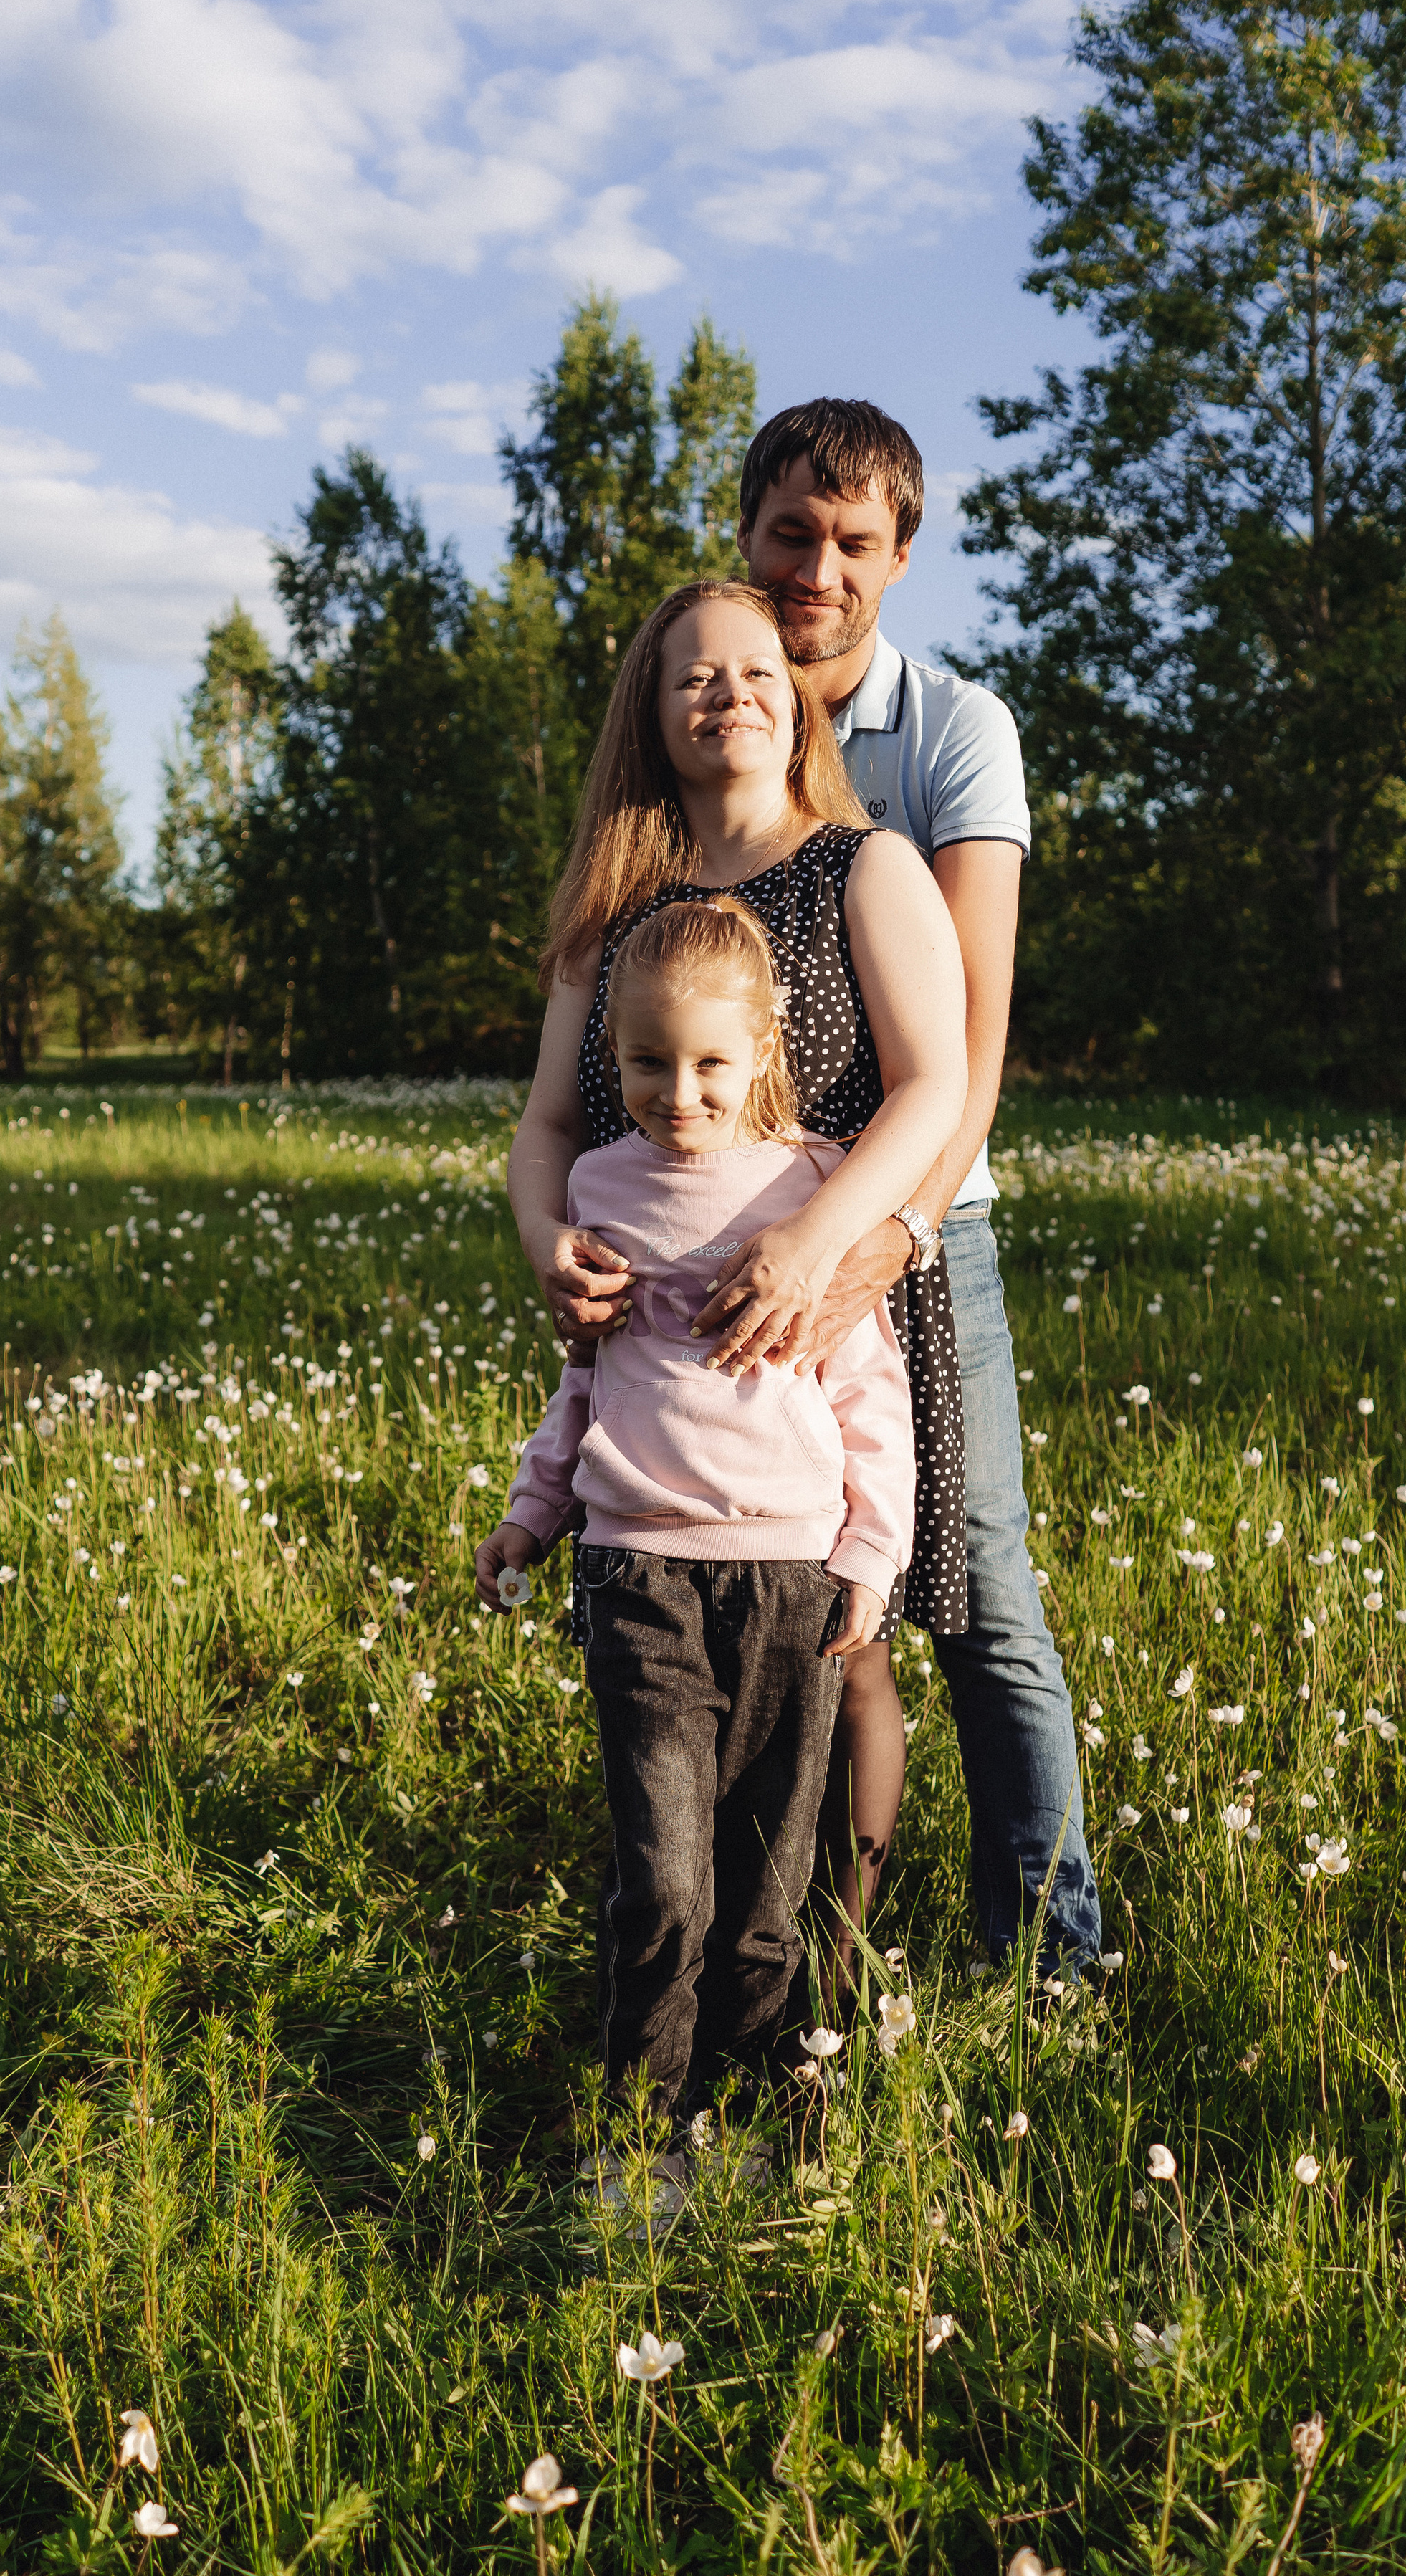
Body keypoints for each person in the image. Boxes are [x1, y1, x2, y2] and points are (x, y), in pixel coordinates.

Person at [507, 574, 972, 1976]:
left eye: (755, 668)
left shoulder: (862, 866)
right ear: (650, 714)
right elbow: (542, 1127)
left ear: (798, 696)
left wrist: (818, 1243)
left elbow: (934, 1084)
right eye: (691, 674)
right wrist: (546, 1249)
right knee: (672, 1663)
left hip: (830, 1301)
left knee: (842, 1639)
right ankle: (682, 1968)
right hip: (650, 1331)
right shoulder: (613, 904)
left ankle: (818, 1979)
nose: (728, 691)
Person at [730, 397, 1102, 1972]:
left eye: (852, 542)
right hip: (737, 1226)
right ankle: (770, 1931)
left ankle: (1055, 1948)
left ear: (898, 555)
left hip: (917, 1221)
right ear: (743, 532)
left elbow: (969, 1038)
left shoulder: (951, 730)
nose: (817, 567)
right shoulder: (706, 705)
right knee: (762, 1593)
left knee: (976, 1595)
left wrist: (882, 1235)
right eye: (790, 534)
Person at [477, 897, 916, 2124]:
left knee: (769, 1882)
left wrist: (871, 1552)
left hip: (794, 1579)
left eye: (712, 1062)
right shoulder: (597, 1187)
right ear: (610, 1056)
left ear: (765, 1048)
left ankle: (763, 2109)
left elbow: (868, 1388)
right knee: (665, 1881)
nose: (681, 1091)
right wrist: (536, 1508)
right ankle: (645, 2130)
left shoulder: (812, 1186)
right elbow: (586, 1375)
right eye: (650, 1063)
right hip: (638, 1578)